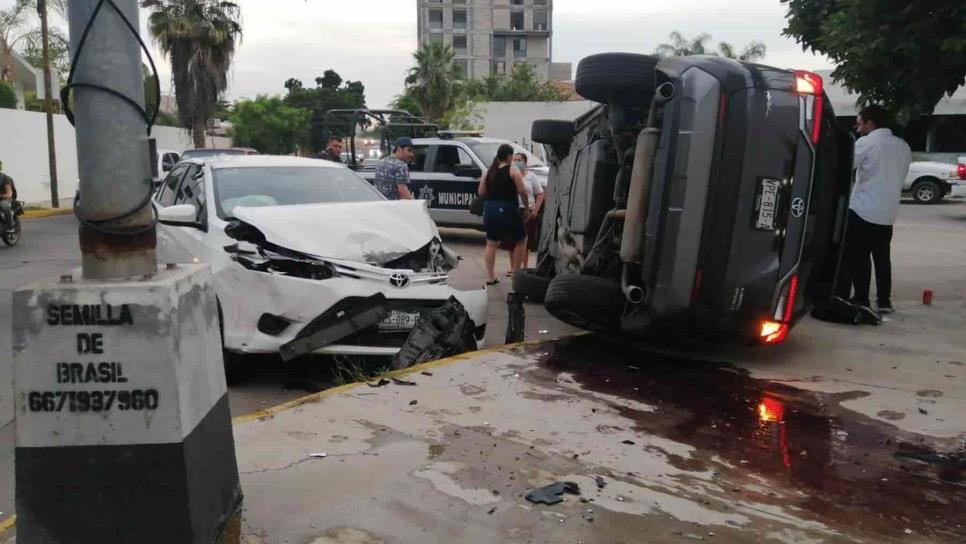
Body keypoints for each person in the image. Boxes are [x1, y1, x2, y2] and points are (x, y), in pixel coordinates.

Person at [837, 104, 911, 315]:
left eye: (859, 124)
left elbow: (846, 166)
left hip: (863, 209)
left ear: (869, 123)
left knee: (858, 257)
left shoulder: (867, 143)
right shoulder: (902, 146)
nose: (857, 129)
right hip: (888, 212)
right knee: (881, 257)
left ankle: (861, 299)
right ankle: (884, 301)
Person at [478, 144, 529, 285]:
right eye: (512, 156)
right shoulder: (513, 170)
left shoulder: (489, 171)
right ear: (508, 156)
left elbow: (481, 192)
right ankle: (516, 274)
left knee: (491, 243)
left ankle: (490, 277)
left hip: (489, 209)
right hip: (507, 209)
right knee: (521, 239)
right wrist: (525, 208)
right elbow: (522, 191)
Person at [499, 153, 544, 273]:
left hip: (527, 210)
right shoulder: (512, 175)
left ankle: (523, 267)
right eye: (515, 160)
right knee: (511, 241)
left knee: (525, 241)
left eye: (519, 160)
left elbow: (540, 194)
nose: (517, 162)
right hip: (513, 210)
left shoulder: (531, 176)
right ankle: (513, 267)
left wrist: (535, 210)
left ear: (525, 162)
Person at [0, 160, 16, 233]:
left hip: (5, 198)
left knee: (4, 205)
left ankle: (10, 227)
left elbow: (9, 194)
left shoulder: (5, 178)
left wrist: (1, 196)